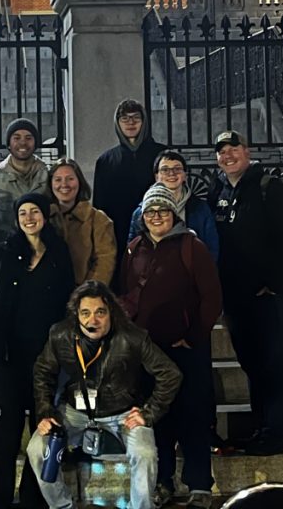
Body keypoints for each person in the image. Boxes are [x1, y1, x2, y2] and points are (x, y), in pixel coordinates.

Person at [27, 280, 181, 509]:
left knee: (145, 453)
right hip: (74, 412)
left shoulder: (133, 337)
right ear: (76, 315)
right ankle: (61, 506)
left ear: (111, 312)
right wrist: (45, 411)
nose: (93, 321)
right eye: (85, 313)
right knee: (36, 449)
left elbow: (170, 373)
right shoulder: (60, 335)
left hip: (122, 413)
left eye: (100, 312)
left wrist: (149, 413)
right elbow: (42, 371)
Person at [208, 130, 283, 456]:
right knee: (252, 363)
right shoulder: (218, 190)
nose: (228, 155)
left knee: (275, 362)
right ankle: (261, 428)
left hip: (272, 297)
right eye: (221, 151)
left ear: (247, 151)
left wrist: (274, 283)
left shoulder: (270, 187)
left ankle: (277, 433)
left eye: (233, 148)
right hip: (238, 298)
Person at [121, 184, 222, 509]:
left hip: (187, 348)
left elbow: (211, 297)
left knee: (193, 415)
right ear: (143, 216)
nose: (157, 217)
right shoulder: (135, 248)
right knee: (157, 418)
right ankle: (162, 481)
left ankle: (199, 485)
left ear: (173, 214)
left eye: (163, 210)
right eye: (151, 211)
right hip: (149, 351)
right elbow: (126, 294)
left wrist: (192, 336)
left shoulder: (193, 246)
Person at [0, 193, 75, 509]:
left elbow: (69, 304)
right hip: (11, 355)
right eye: (22, 212)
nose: (28, 217)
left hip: (48, 357)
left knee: (43, 427)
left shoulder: (59, 252)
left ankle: (32, 495)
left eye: (34, 211)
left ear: (44, 216)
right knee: (9, 428)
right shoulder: (3, 254)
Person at [93, 99, 166, 264]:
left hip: (157, 229)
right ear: (118, 123)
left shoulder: (161, 154)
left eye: (135, 118)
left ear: (144, 121)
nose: (130, 123)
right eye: (125, 118)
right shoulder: (106, 161)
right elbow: (100, 207)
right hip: (119, 234)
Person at [126, 151, 220, 259]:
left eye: (177, 169)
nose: (171, 173)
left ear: (185, 175)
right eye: (165, 169)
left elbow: (211, 249)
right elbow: (132, 253)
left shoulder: (201, 209)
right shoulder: (140, 212)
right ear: (156, 176)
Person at [0, 118, 50, 242]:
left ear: (36, 143)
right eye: (16, 138)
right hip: (6, 255)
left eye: (29, 138)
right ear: (9, 143)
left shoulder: (49, 178)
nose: (23, 143)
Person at [47, 157, 117, 285]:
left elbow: (105, 261)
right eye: (58, 179)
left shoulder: (98, 220)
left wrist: (87, 293)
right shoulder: (43, 218)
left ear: (80, 182)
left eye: (70, 179)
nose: (64, 185)